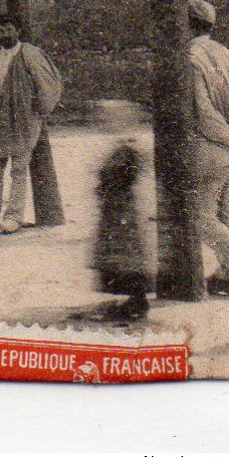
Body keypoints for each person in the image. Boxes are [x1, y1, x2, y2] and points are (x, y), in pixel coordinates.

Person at [0, 14, 62, 235]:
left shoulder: (30, 54)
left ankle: (14, 217)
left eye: (9, 29)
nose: (5, 34)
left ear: (17, 31)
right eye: (0, 30)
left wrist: (37, 109)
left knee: (18, 169)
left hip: (22, 121)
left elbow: (48, 84)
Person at [187, 0, 229, 295]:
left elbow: (202, 112)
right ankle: (227, 274)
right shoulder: (227, 54)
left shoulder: (190, 58)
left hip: (211, 144)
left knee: (199, 215)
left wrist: (225, 137)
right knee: (226, 211)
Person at [90, 101, 152, 319]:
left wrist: (105, 186)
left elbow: (121, 175)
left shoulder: (126, 148)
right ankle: (132, 296)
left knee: (124, 253)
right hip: (117, 207)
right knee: (121, 252)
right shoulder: (123, 146)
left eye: (107, 120)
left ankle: (136, 298)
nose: (102, 124)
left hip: (121, 209)